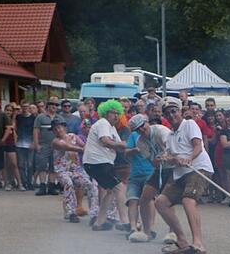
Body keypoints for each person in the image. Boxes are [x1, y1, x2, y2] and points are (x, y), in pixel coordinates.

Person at [154, 101, 215, 254]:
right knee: (161, 202)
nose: (172, 115)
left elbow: (198, 146)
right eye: (168, 113)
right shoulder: (170, 136)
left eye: (174, 111)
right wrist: (166, 158)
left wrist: (188, 158)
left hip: (199, 168)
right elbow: (171, 156)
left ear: (180, 111)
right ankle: (182, 241)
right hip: (180, 173)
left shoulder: (189, 124)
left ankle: (198, 244)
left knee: (188, 200)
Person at [82, 100, 127, 231]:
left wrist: (133, 149)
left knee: (110, 190)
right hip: (97, 162)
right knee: (119, 188)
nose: (116, 116)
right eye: (114, 113)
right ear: (106, 113)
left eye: (118, 113)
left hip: (99, 163)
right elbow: (105, 141)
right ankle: (125, 221)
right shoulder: (103, 123)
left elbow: (120, 147)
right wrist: (123, 144)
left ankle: (99, 222)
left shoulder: (111, 128)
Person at [127, 113, 171, 242]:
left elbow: (172, 147)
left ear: (147, 123)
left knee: (169, 197)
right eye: (137, 129)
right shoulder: (140, 142)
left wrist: (166, 155)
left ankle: (172, 233)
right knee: (145, 198)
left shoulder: (161, 130)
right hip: (159, 169)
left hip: (174, 167)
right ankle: (147, 232)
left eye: (142, 125)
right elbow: (152, 162)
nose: (141, 129)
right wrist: (157, 160)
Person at [51, 119, 96, 223]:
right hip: (62, 170)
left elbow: (83, 144)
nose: (58, 130)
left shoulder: (73, 136)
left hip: (76, 169)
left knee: (89, 185)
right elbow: (66, 147)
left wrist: (86, 147)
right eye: (55, 129)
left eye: (59, 127)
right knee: (68, 183)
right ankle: (71, 212)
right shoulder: (55, 142)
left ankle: (94, 213)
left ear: (64, 127)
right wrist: (81, 150)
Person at [33, 100, 62, 195]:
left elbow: (63, 132)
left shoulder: (60, 118)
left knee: (53, 166)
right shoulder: (40, 117)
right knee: (42, 166)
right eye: (52, 104)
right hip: (43, 145)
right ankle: (42, 186)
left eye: (56, 104)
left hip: (56, 146)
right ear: (48, 105)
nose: (54, 106)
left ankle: (52, 186)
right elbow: (36, 131)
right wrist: (36, 144)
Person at [15, 103, 36, 190]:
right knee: (21, 164)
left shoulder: (33, 118)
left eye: (26, 107)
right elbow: (14, 126)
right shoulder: (18, 117)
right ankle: (24, 182)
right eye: (23, 107)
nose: (25, 108)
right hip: (20, 144)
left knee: (30, 164)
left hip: (30, 143)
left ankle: (30, 182)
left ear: (29, 108)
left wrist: (34, 142)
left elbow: (35, 130)